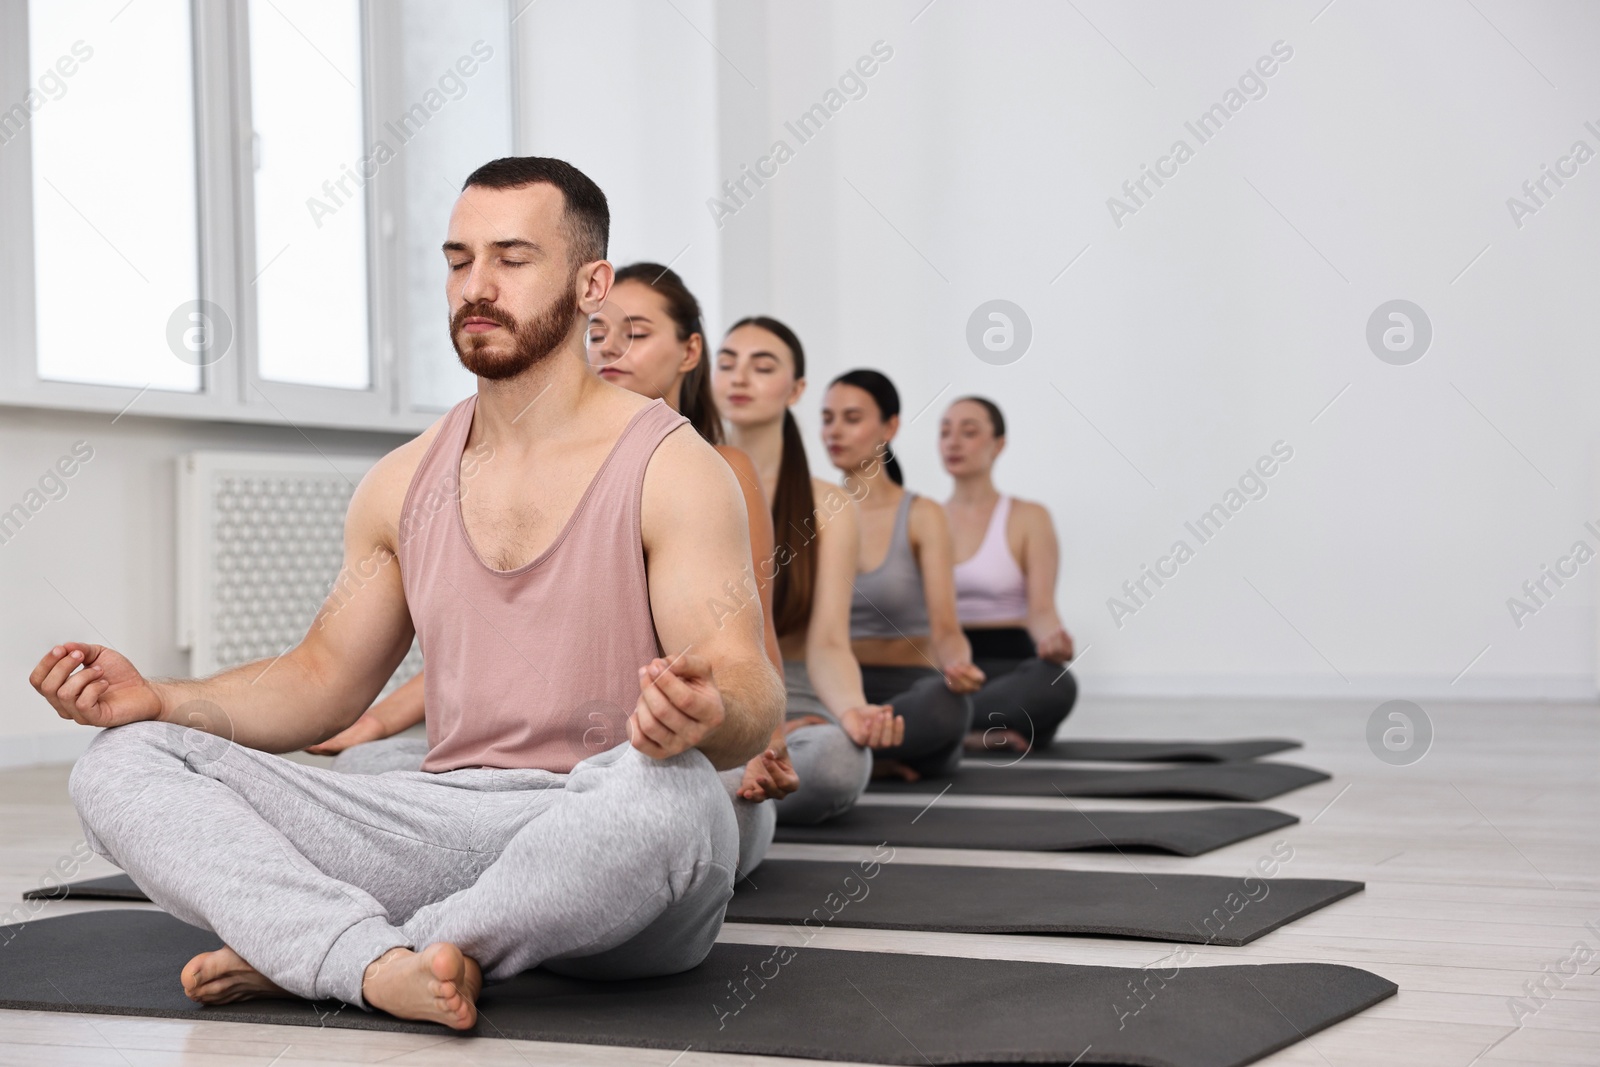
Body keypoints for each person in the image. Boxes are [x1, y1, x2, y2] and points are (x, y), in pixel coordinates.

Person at [29, 156, 784, 1030]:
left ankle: (331, 953)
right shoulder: (399, 480)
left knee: (681, 793)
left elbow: (751, 687)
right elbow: (322, 680)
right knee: (123, 761)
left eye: (511, 258)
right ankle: (383, 958)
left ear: (590, 285)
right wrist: (156, 696)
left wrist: (707, 713)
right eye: (459, 260)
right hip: (444, 824)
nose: (478, 285)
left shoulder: (674, 468)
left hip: (606, 833)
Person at [308, 262, 796, 876]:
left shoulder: (710, 470)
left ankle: (475, 879)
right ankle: (507, 862)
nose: (612, 347)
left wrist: (752, 736)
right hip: (530, 785)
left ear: (688, 351)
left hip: (653, 769)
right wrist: (371, 720)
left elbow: (748, 649)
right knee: (363, 766)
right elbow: (494, 651)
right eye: (599, 333)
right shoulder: (520, 463)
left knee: (687, 802)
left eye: (637, 334)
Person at [712, 319, 905, 821]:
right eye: (727, 363)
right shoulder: (690, 475)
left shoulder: (831, 504)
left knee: (838, 764)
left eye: (762, 366)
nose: (739, 378)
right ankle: (737, 791)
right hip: (714, 702)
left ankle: (743, 791)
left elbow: (829, 644)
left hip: (797, 703)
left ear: (796, 389)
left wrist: (852, 711)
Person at [823, 370, 982, 781]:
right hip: (836, 691)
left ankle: (854, 755)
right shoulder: (813, 511)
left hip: (908, 691)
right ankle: (869, 756)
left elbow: (946, 628)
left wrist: (959, 666)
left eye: (852, 418)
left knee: (947, 707)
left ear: (889, 427)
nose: (834, 431)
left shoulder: (922, 515)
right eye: (827, 418)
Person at [940, 396, 1077, 753]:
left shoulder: (1030, 517)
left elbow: (1041, 608)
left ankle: (941, 730)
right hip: (949, 669)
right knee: (920, 691)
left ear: (998, 444)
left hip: (1011, 669)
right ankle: (973, 730)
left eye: (968, 432)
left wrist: (1053, 643)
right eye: (944, 432)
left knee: (1057, 684)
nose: (953, 442)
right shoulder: (925, 519)